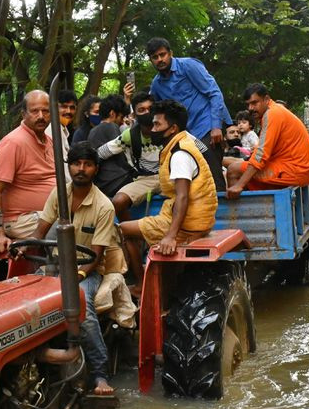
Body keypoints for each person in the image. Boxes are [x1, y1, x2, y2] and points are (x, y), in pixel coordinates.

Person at [30, 142, 121, 395]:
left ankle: (100, 375)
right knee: (23, 299)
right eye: (76, 164)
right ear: (68, 167)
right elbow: (40, 230)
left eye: (87, 164)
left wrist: (77, 275)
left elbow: (97, 254)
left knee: (84, 309)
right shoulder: (58, 194)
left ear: (96, 169)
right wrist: (22, 249)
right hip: (55, 264)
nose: (81, 169)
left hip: (86, 270)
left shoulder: (104, 206)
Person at [119, 100, 218, 286]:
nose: (153, 128)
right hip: (195, 219)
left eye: (157, 124)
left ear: (172, 129)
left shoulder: (179, 154)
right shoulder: (183, 141)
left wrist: (170, 236)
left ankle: (140, 284)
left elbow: (182, 196)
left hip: (187, 224)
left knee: (120, 230)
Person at [145, 37, 231, 190]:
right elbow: (156, 112)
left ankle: (220, 203)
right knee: (187, 168)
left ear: (170, 53)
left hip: (208, 123)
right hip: (186, 134)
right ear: (151, 60)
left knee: (208, 161)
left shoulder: (188, 66)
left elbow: (214, 93)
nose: (160, 59)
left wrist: (216, 126)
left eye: (162, 54)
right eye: (155, 57)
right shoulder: (156, 84)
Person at [0, 90, 56, 254]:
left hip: (47, 214)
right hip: (21, 219)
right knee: (66, 229)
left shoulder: (48, 141)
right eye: (34, 111)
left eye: (45, 111)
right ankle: (53, 274)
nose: (41, 116)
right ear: (23, 114)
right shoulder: (13, 143)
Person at [225, 83, 309, 198]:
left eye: (254, 103)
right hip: (298, 169)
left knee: (233, 170)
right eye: (248, 105)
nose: (251, 108)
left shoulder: (272, 114)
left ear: (266, 99)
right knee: (241, 166)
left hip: (294, 170)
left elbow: (261, 155)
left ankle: (244, 214)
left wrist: (239, 185)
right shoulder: (275, 111)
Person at [86, 94, 135, 198]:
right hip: (115, 181)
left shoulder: (92, 130)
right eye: (121, 117)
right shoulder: (111, 126)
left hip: (101, 183)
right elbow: (121, 158)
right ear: (112, 114)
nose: (122, 121)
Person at [48, 89, 78, 181]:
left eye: (72, 108)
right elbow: (62, 167)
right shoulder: (53, 130)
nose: (68, 111)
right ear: (54, 108)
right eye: (64, 107)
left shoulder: (62, 129)